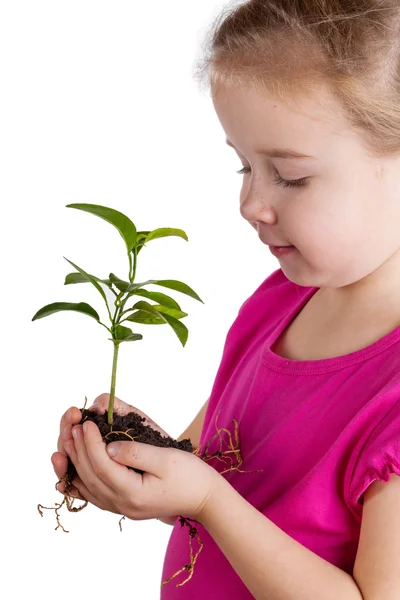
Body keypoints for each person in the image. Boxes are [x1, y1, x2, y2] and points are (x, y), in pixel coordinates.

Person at [51, 1, 400, 598]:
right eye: (243, 166)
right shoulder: (277, 304)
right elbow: (212, 471)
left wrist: (208, 500)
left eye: (290, 176)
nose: (250, 205)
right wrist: (141, 465)